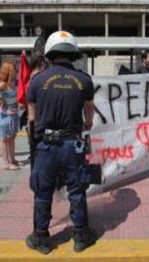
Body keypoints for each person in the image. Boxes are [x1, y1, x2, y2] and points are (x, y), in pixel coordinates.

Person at [26, 31, 96, 254]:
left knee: (42, 192)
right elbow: (89, 111)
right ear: (73, 53)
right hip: (72, 145)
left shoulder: (36, 81)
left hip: (46, 146)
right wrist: (87, 123)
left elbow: (31, 119)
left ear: (49, 53)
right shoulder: (84, 79)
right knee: (77, 190)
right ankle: (81, 236)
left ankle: (41, 238)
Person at [0, 61, 20, 170]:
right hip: (6, 115)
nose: (15, 71)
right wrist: (1, 99)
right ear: (9, 71)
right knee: (4, 139)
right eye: (14, 69)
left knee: (11, 138)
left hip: (14, 114)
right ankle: (6, 163)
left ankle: (12, 160)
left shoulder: (12, 83)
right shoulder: (3, 84)